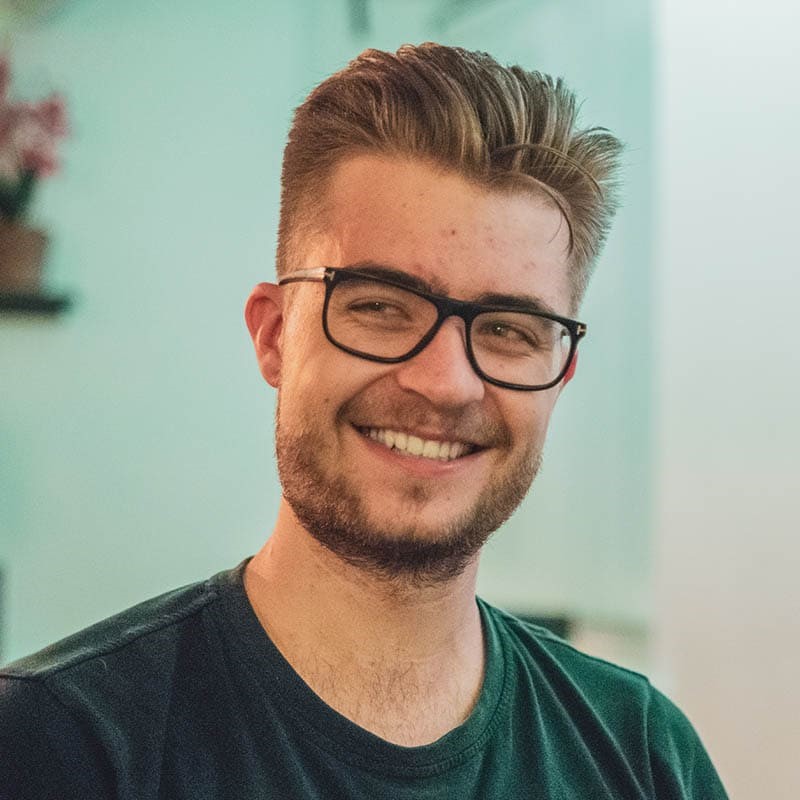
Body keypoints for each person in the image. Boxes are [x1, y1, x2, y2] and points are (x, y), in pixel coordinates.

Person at [0, 43, 728, 799]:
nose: (445, 384)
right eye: (380, 306)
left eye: (508, 329)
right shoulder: (59, 746)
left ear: (560, 376)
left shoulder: (644, 755)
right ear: (275, 335)